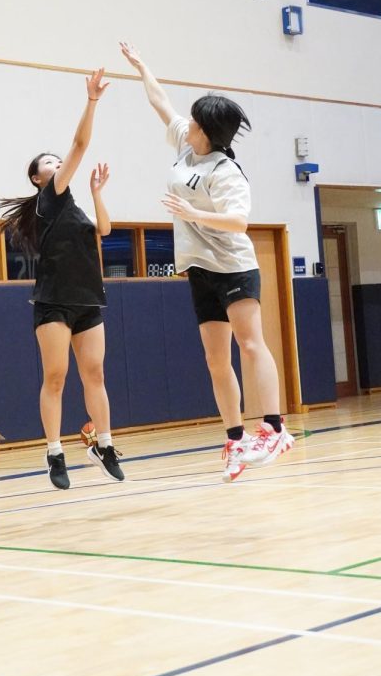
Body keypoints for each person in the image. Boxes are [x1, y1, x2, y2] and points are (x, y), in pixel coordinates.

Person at [120, 40, 294, 482]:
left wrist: (195, 213)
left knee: (250, 344)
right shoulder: (185, 145)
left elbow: (239, 221)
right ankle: (235, 436)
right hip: (199, 269)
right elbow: (162, 104)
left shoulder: (225, 171)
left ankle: (274, 427)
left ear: (209, 133)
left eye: (195, 122)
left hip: (233, 266)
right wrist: (142, 66)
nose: (188, 124)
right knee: (216, 359)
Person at [0, 69, 124, 490]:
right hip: (53, 301)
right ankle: (54, 452)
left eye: (57, 161)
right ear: (39, 178)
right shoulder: (47, 201)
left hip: (88, 297)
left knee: (96, 374)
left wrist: (97, 193)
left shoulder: (71, 206)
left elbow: (104, 231)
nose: (57, 163)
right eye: (49, 163)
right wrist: (92, 101)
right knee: (56, 377)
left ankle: (103, 444)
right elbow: (81, 144)